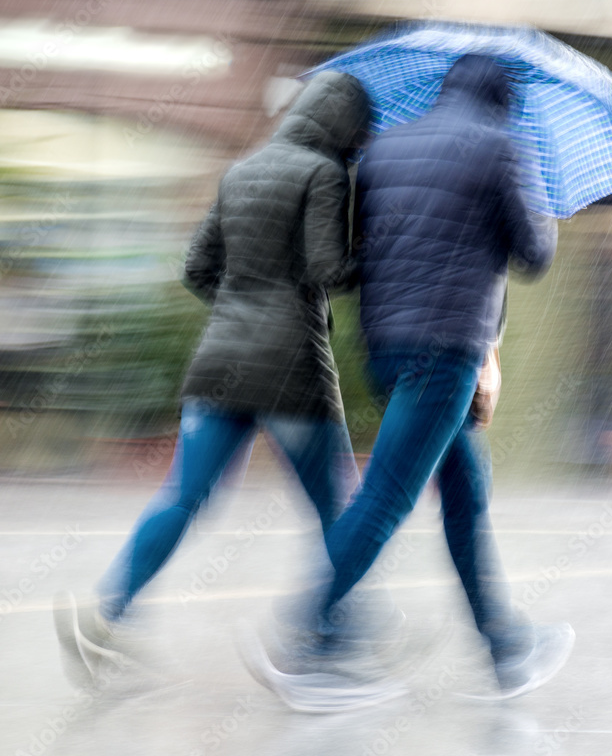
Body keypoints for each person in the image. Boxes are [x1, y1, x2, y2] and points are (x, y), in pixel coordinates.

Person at [249, 54, 572, 707]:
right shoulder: (503, 147)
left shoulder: (385, 147)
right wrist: (543, 211)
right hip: (446, 348)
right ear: (502, 99)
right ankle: (309, 630)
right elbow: (532, 256)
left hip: (387, 347)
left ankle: (505, 646)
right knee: (388, 497)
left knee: (464, 499)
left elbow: (361, 253)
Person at [53, 71, 372, 687]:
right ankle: (332, 639)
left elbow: (196, 269)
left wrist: (241, 306)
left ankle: (109, 610)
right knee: (340, 506)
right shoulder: (325, 174)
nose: (362, 139)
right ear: (341, 122)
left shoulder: (241, 170)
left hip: (218, 365)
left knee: (183, 495)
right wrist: (373, 252)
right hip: (290, 372)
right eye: (360, 125)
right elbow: (328, 269)